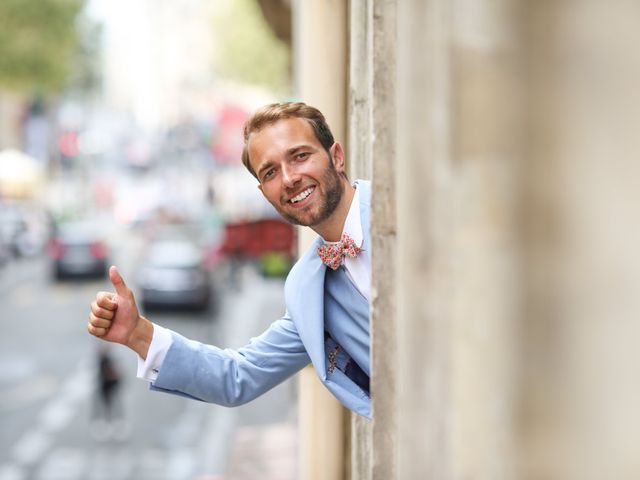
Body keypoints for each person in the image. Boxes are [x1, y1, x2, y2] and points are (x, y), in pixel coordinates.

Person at [87, 102, 372, 418]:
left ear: (337, 157)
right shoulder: (307, 287)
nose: (290, 178)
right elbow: (239, 376)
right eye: (271, 172)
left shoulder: (400, 205)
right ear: (264, 192)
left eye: (300, 156)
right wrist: (137, 333)